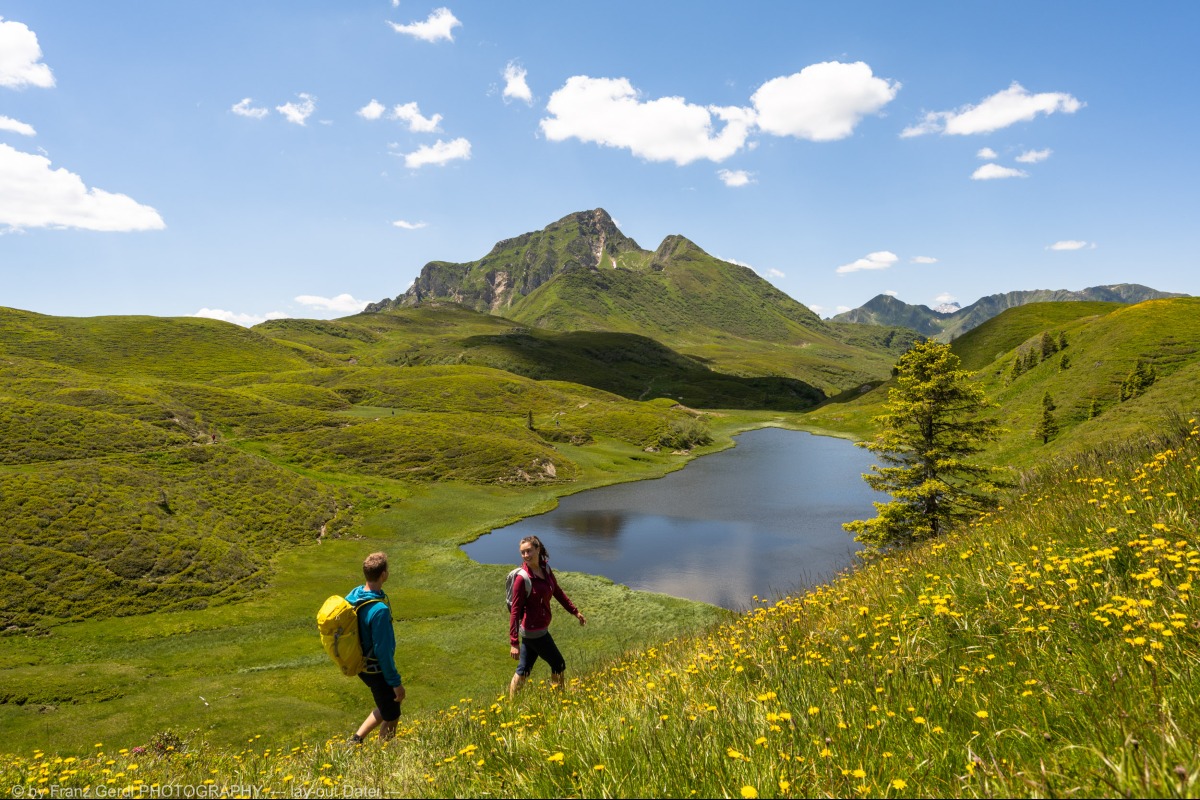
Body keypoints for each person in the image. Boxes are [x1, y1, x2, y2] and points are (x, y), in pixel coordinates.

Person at [508, 535, 587, 698]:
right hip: (534, 631)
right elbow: (515, 611)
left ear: (538, 549)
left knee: (524, 670)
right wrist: (514, 642)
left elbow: (557, 591)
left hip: (537, 629)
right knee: (558, 664)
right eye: (522, 552)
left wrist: (574, 611)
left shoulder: (546, 569)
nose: (526, 555)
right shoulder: (522, 578)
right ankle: (560, 698)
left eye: (529, 551)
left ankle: (511, 703)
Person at [345, 552, 405, 743]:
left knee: (385, 702)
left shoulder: (355, 595)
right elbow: (383, 651)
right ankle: (384, 754)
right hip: (374, 668)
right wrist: (395, 682)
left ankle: (356, 741)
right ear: (383, 575)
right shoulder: (379, 610)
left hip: (360, 663)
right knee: (392, 713)